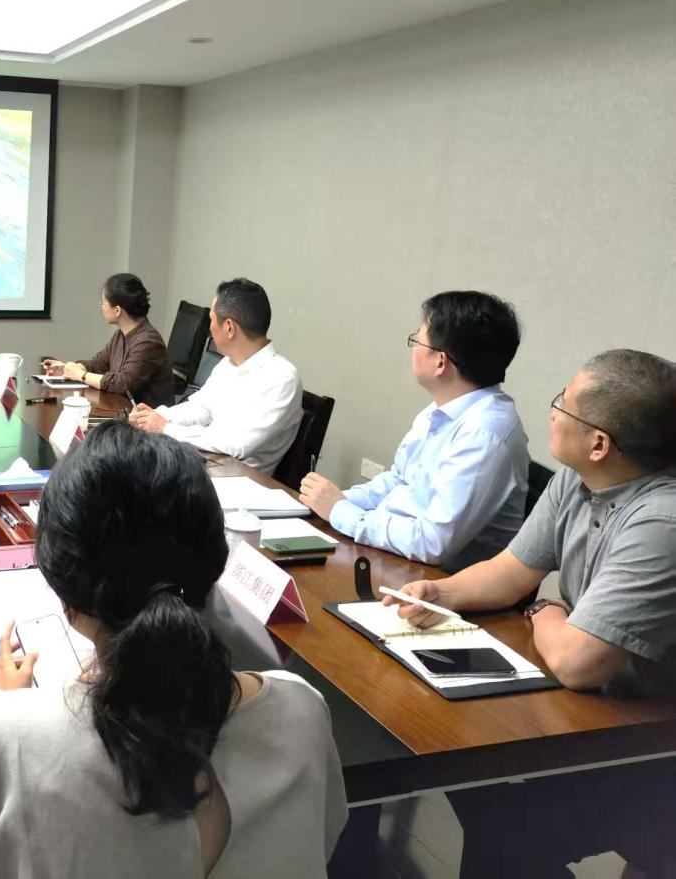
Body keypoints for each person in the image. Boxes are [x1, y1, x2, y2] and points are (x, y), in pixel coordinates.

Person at [0, 422, 346, 877]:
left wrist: (12, 710)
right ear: (213, 564)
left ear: (64, 591)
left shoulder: (9, 736)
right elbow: (321, 839)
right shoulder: (303, 709)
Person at [387, 348, 676, 876]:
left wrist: (545, 607)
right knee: (471, 776)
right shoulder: (578, 478)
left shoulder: (662, 521)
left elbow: (577, 661)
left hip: (648, 744)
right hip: (591, 710)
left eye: (564, 403)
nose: (553, 410)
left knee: (502, 819)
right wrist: (439, 593)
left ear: (599, 444)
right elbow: (511, 570)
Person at [299, 291, 529, 571]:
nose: (413, 348)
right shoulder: (443, 408)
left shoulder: (484, 435)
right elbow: (398, 480)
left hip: (434, 581)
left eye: (417, 340)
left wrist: (340, 511)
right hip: (396, 559)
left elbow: (432, 543)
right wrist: (335, 501)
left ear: (441, 362)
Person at [129, 278, 302, 472]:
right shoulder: (228, 363)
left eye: (211, 319)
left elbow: (236, 444)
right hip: (207, 463)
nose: (210, 327)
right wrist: (157, 416)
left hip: (236, 479)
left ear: (229, 327)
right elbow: (201, 409)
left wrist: (166, 428)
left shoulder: (282, 378)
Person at [42, 273, 175, 406]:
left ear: (117, 310)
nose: (102, 307)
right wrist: (68, 369)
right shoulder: (120, 335)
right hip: (122, 409)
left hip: (146, 416)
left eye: (103, 302)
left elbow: (122, 384)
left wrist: (80, 375)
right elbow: (97, 364)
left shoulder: (148, 342)